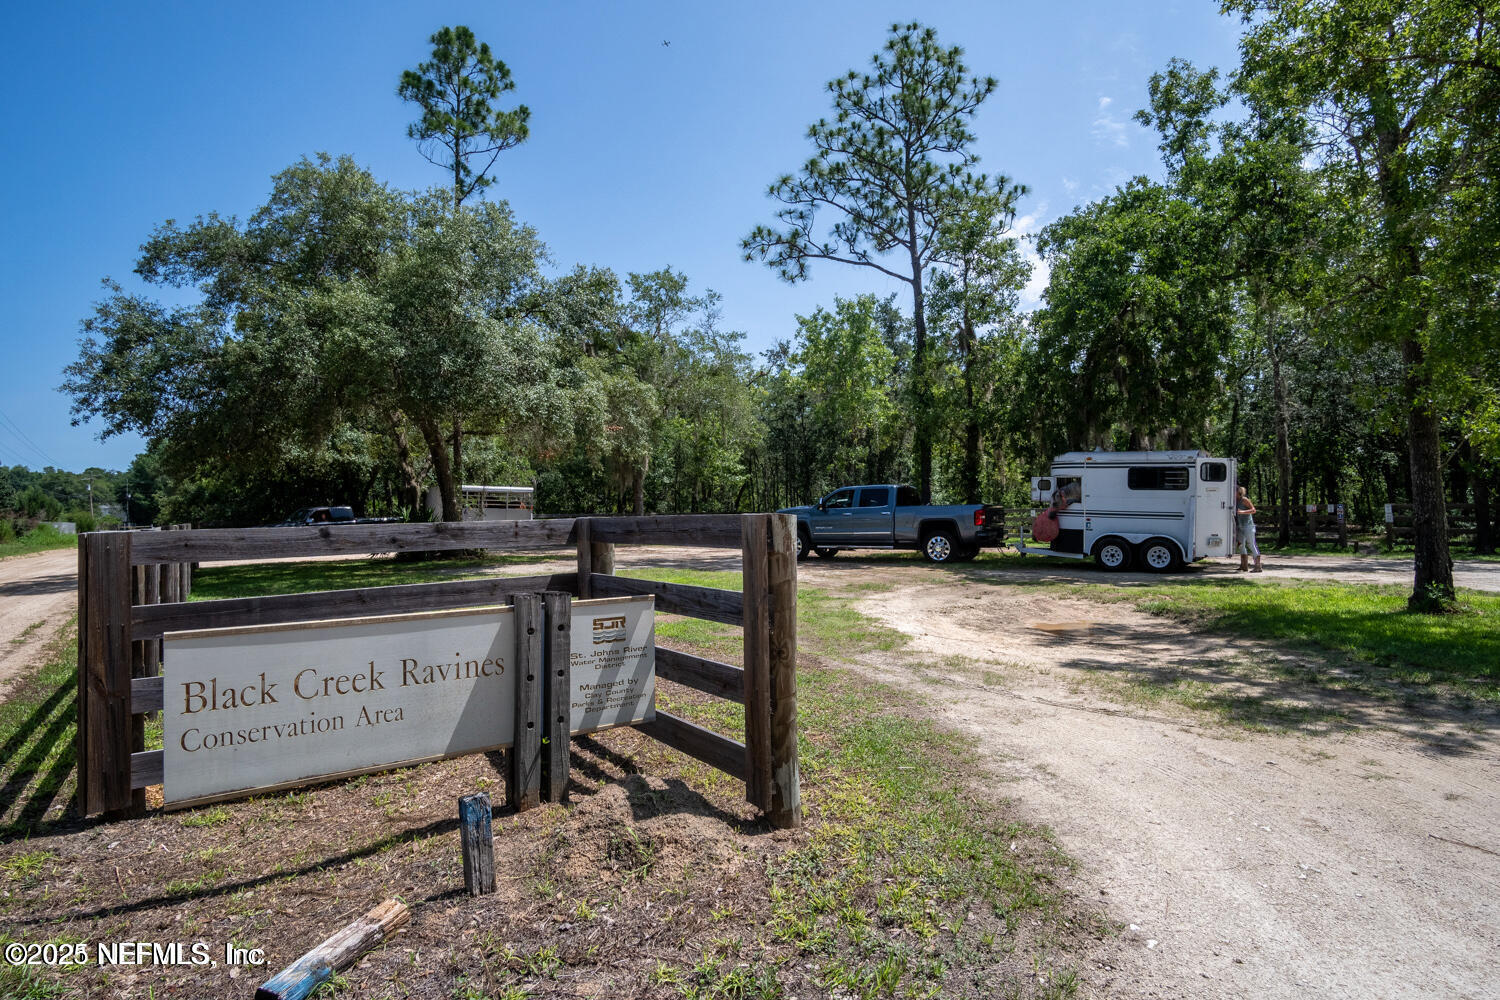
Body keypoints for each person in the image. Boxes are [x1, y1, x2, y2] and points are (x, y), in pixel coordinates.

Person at [1235, 486, 1262, 572]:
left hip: (1248, 526)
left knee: (1251, 544)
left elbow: (1253, 510)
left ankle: (1258, 566)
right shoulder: (1235, 501)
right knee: (1241, 545)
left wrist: (1242, 512)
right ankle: (1244, 566)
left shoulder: (1244, 500)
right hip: (1240, 526)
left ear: (1238, 492)